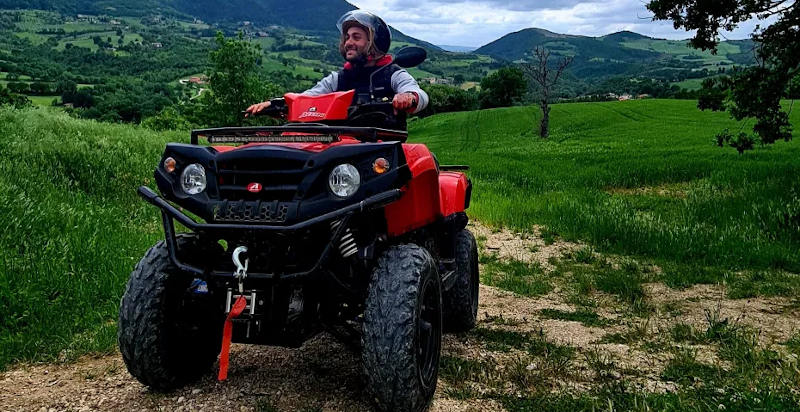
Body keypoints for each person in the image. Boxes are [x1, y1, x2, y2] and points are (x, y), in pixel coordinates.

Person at [245, 10, 429, 126]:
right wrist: (275, 104)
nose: (349, 42)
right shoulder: (339, 78)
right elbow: (308, 97)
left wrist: (408, 97)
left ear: (374, 43)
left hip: (384, 150)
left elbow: (420, 96)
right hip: (342, 149)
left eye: (356, 37)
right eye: (347, 37)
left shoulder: (393, 74)